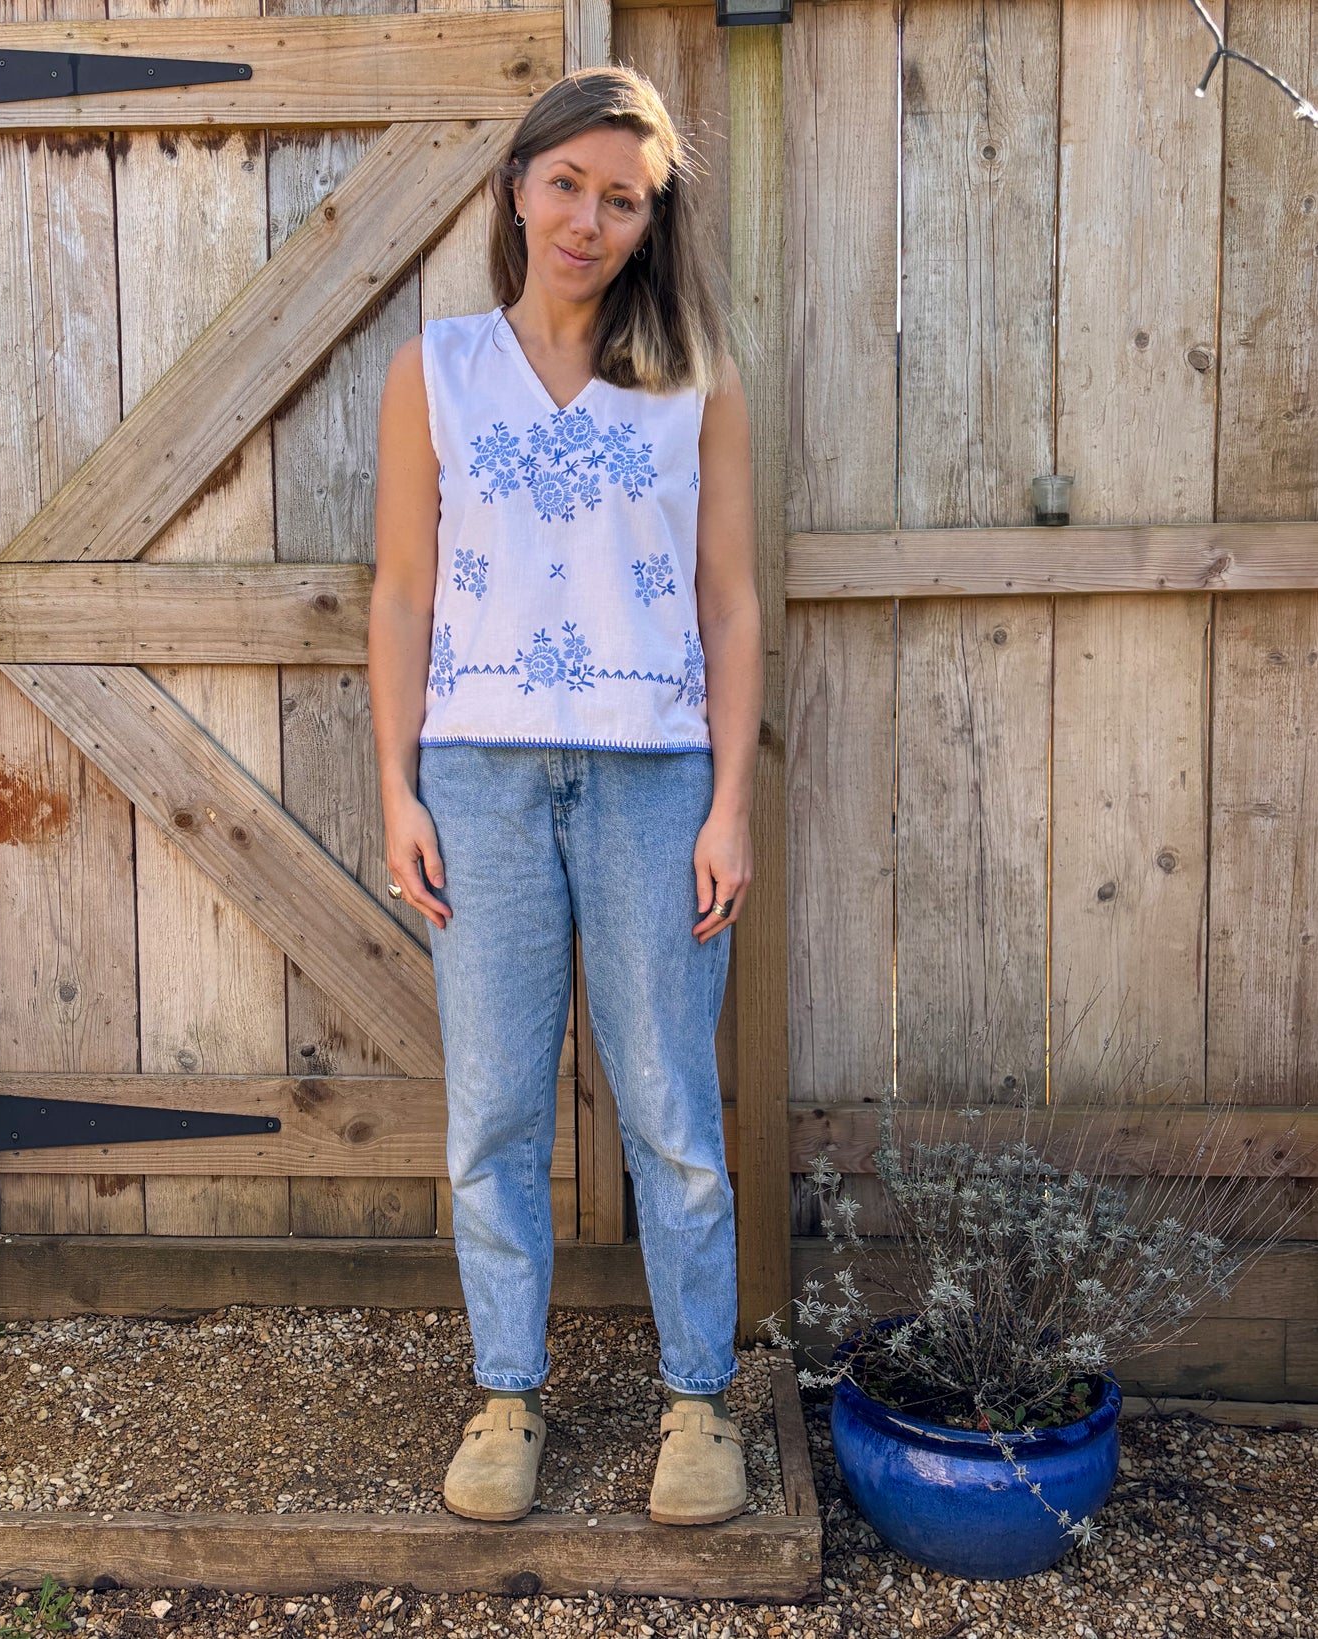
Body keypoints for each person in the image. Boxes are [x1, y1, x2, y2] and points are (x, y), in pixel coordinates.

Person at [369, 64, 761, 1527]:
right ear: (517, 190)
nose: (588, 219)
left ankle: (697, 1404)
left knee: (669, 1107)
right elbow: (402, 590)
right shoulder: (437, 369)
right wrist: (396, 784)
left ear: (650, 221)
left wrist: (729, 806)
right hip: (475, 778)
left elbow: (728, 606)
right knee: (491, 1111)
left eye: (621, 199)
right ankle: (507, 1396)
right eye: (567, 186)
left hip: (656, 780)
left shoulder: (692, 380)